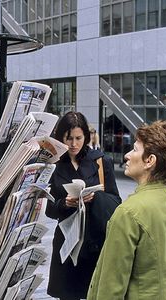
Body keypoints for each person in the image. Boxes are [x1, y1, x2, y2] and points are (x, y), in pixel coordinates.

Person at [87, 120, 166, 300]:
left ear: (150, 161)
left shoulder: (129, 212)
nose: (127, 155)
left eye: (134, 149)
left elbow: (110, 287)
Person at [45, 111, 121, 300]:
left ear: (86, 137)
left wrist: (95, 197)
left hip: (95, 240)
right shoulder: (53, 165)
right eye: (69, 138)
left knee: (95, 292)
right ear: (61, 137)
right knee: (67, 294)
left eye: (79, 138)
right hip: (67, 241)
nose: (74, 144)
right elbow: (49, 210)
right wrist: (65, 202)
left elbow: (115, 201)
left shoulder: (101, 161)